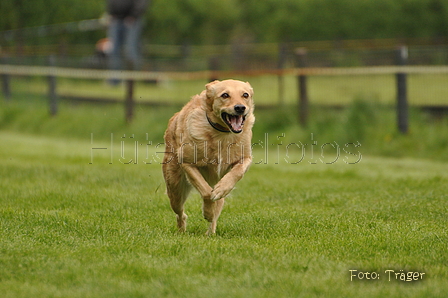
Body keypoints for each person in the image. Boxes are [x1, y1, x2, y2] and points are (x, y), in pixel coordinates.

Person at [106, 0, 149, 84]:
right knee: (113, 50)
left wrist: (134, 15)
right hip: (116, 19)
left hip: (132, 20)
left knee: (130, 50)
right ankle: (114, 80)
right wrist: (111, 13)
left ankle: (131, 81)